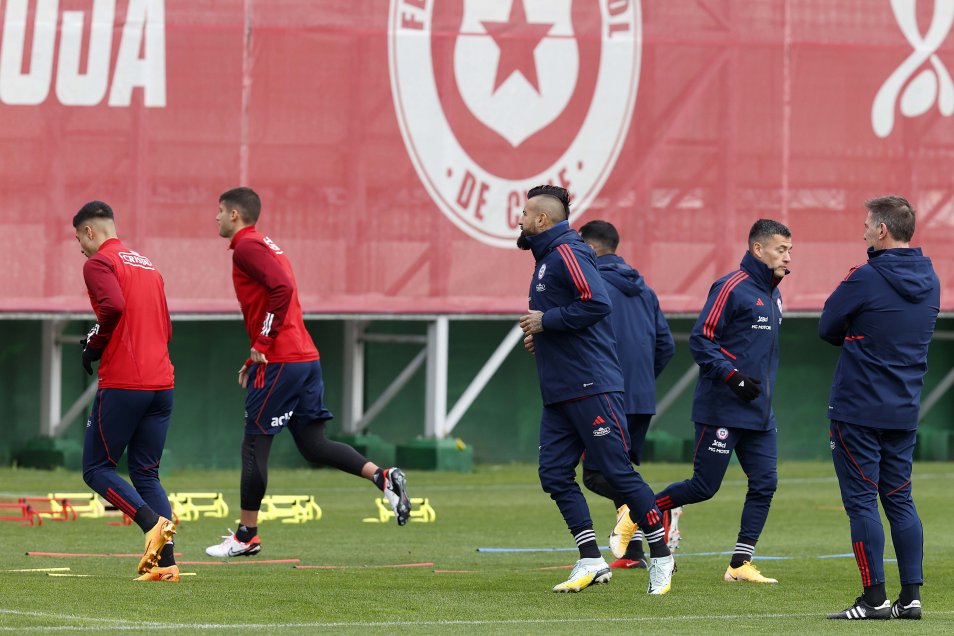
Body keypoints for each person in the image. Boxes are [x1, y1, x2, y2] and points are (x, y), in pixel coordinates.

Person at [206, 187, 411, 557]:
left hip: (282, 360)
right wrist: (257, 352)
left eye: (220, 211)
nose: (216, 218)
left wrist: (264, 344)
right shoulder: (264, 245)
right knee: (314, 445)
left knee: (255, 443)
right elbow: (278, 296)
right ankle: (382, 476)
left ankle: (246, 534)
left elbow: (281, 289)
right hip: (302, 357)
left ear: (235, 215)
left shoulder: (248, 247)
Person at [517, 185, 675, 595]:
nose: (518, 218)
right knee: (554, 474)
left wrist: (546, 323)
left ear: (541, 221)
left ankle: (660, 554)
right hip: (559, 390)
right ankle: (590, 559)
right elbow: (571, 317)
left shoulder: (570, 252)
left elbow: (596, 303)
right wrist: (543, 335)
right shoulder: (546, 259)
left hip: (591, 384)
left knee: (616, 473)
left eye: (524, 213)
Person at [650, 219, 792, 584]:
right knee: (703, 487)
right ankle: (641, 511)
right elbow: (701, 341)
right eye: (781, 249)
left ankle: (739, 564)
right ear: (758, 249)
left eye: (790, 250)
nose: (787, 257)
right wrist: (733, 376)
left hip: (760, 414)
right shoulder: (731, 286)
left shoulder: (775, 294)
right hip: (722, 408)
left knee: (765, 484)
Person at [821, 196, 939, 621]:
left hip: (857, 410)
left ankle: (873, 600)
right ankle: (910, 599)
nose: (864, 232)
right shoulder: (933, 277)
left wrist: (858, 331)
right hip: (904, 410)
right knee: (901, 501)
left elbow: (827, 326)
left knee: (861, 504)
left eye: (869, 226)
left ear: (883, 231)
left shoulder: (865, 277)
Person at [74, 201, 179, 582]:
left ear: (90, 232)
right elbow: (166, 326)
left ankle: (151, 525)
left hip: (125, 382)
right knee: (146, 473)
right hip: (161, 383)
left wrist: (95, 346)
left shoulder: (98, 263)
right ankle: (166, 566)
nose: (80, 249)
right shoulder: (147, 264)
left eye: (78, 239)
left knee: (96, 468)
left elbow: (113, 307)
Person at [577, 220, 675, 570]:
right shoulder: (644, 290)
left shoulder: (594, 286)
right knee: (622, 469)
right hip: (640, 398)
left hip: (604, 395)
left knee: (597, 475)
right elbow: (665, 345)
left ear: (589, 248)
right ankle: (634, 553)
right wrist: (642, 381)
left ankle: (655, 508)